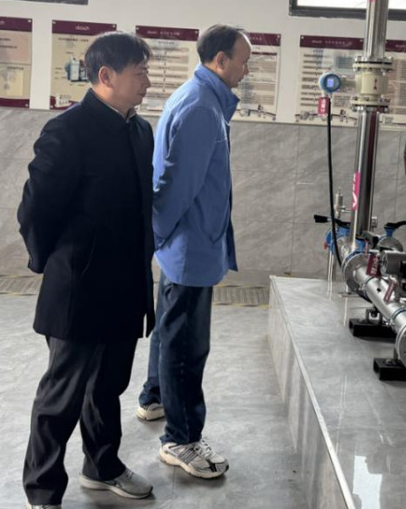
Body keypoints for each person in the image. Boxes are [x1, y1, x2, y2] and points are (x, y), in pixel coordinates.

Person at [18, 32, 156, 509]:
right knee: (62, 395)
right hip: (79, 285)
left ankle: (103, 466)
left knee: (108, 387)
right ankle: (42, 491)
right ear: (106, 76)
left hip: (126, 284)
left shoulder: (140, 131)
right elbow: (35, 210)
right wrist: (55, 264)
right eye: (139, 73)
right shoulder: (68, 131)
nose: (147, 82)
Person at [136, 24, 251, 480]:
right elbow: (176, 186)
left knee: (170, 329)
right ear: (219, 60)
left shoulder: (200, 98)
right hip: (188, 246)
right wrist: (161, 236)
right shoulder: (202, 107)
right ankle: (181, 439)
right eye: (242, 60)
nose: (246, 70)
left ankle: (155, 397)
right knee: (186, 344)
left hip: (187, 243)